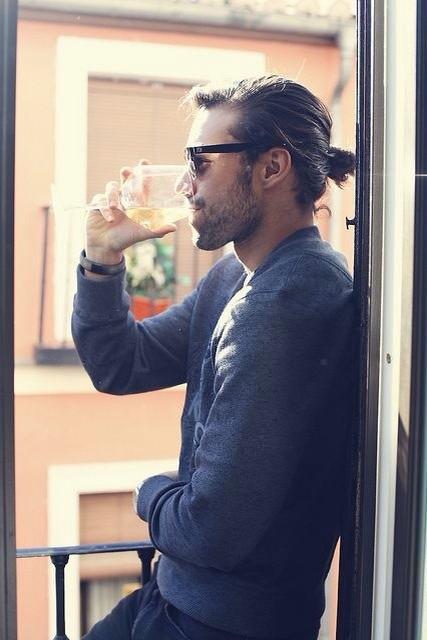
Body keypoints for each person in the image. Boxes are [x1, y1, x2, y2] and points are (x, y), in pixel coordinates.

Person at [72, 75, 356, 640]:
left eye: (200, 162)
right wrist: (101, 261)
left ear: (272, 168)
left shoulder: (290, 303)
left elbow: (211, 531)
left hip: (222, 624)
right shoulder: (236, 277)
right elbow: (122, 363)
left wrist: (149, 493)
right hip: (179, 598)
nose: (185, 183)